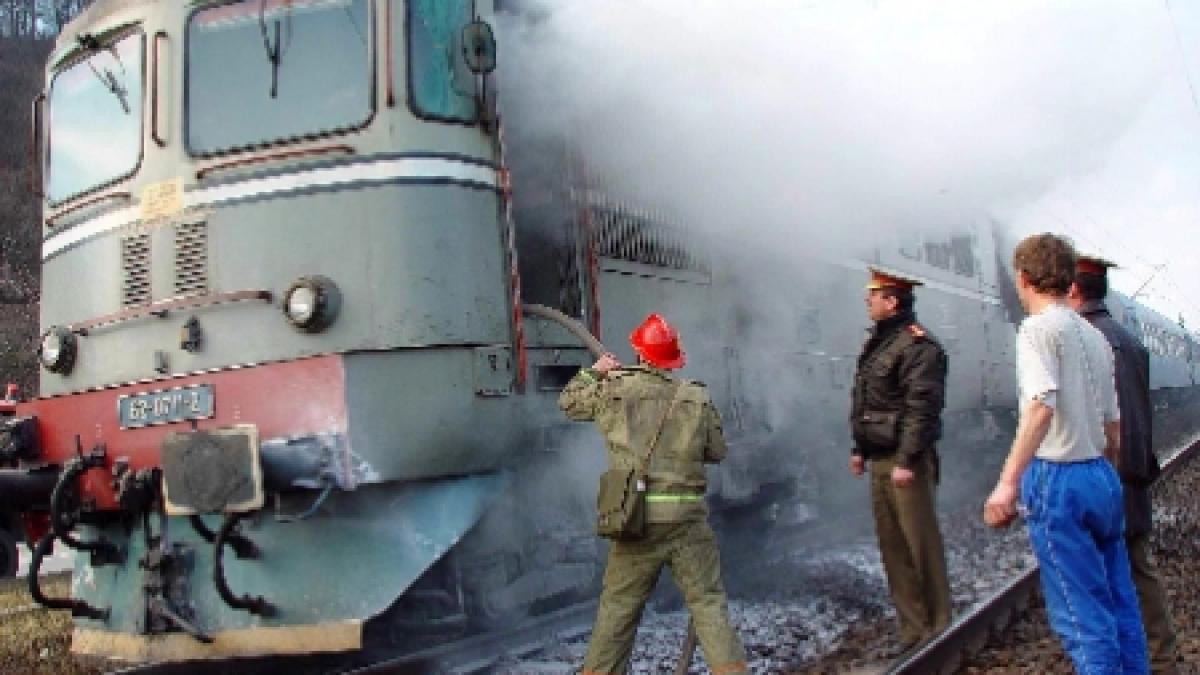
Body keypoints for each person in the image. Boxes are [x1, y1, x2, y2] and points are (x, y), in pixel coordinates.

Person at [984, 234, 1148, 674]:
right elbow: (1113, 425)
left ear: (1023, 278)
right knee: (1119, 600)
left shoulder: (1037, 330)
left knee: (1081, 616)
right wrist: (1106, 475)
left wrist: (1007, 483)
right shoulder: (1094, 337)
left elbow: (1041, 405)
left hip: (1061, 477)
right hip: (1101, 474)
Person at [559, 313, 748, 675]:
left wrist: (594, 371)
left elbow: (569, 403)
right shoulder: (695, 397)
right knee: (707, 602)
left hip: (637, 519)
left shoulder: (614, 388)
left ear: (640, 355)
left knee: (618, 607)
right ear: (672, 360)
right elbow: (717, 451)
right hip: (688, 521)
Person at [1067, 254, 1178, 674]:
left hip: (1106, 469)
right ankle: (1159, 653)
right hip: (1129, 467)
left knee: (1116, 568)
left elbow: (1106, 417)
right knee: (1136, 564)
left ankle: (1145, 656)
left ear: (1074, 290)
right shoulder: (1125, 338)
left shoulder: (1086, 341)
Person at [849, 267, 951, 653]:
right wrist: (859, 451)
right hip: (881, 459)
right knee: (893, 549)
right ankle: (913, 631)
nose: (867, 301)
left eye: (873, 296)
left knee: (920, 545)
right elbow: (866, 404)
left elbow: (921, 409)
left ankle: (939, 627)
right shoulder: (877, 345)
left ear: (892, 301)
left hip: (906, 463)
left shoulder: (919, 348)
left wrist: (908, 459)